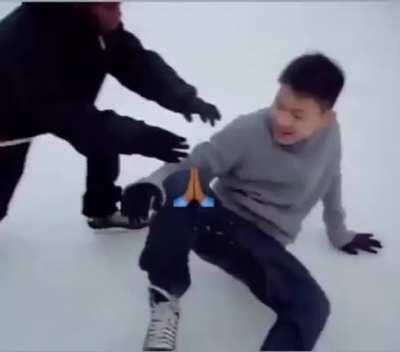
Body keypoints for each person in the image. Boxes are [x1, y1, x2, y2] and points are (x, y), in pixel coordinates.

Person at [121, 53, 382, 351]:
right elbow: (194, 165)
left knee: (312, 306)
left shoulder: (330, 137)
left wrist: (339, 233)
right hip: (214, 220)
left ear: (326, 118)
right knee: (186, 184)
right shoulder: (249, 130)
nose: (282, 119)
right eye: (279, 105)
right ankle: (165, 298)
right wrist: (151, 185)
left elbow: (331, 178)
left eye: (297, 115)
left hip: (262, 247)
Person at [0, 2, 220, 230]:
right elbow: (68, 117)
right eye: (110, 5)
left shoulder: (95, 27)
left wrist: (184, 99)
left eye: (118, 3)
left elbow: (136, 63)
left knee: (105, 142)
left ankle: (102, 210)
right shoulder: (31, 41)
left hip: (52, 106)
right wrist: (145, 139)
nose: (118, 11)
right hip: (9, 117)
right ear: (83, 7)